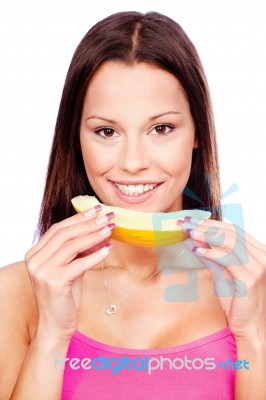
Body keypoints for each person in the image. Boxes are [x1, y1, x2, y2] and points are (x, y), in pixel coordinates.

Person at [0, 10, 265, 400]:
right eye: (106, 131)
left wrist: (253, 334)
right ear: (76, 138)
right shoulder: (17, 293)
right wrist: (52, 336)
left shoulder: (253, 287)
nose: (133, 161)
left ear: (197, 133)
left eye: (161, 128)